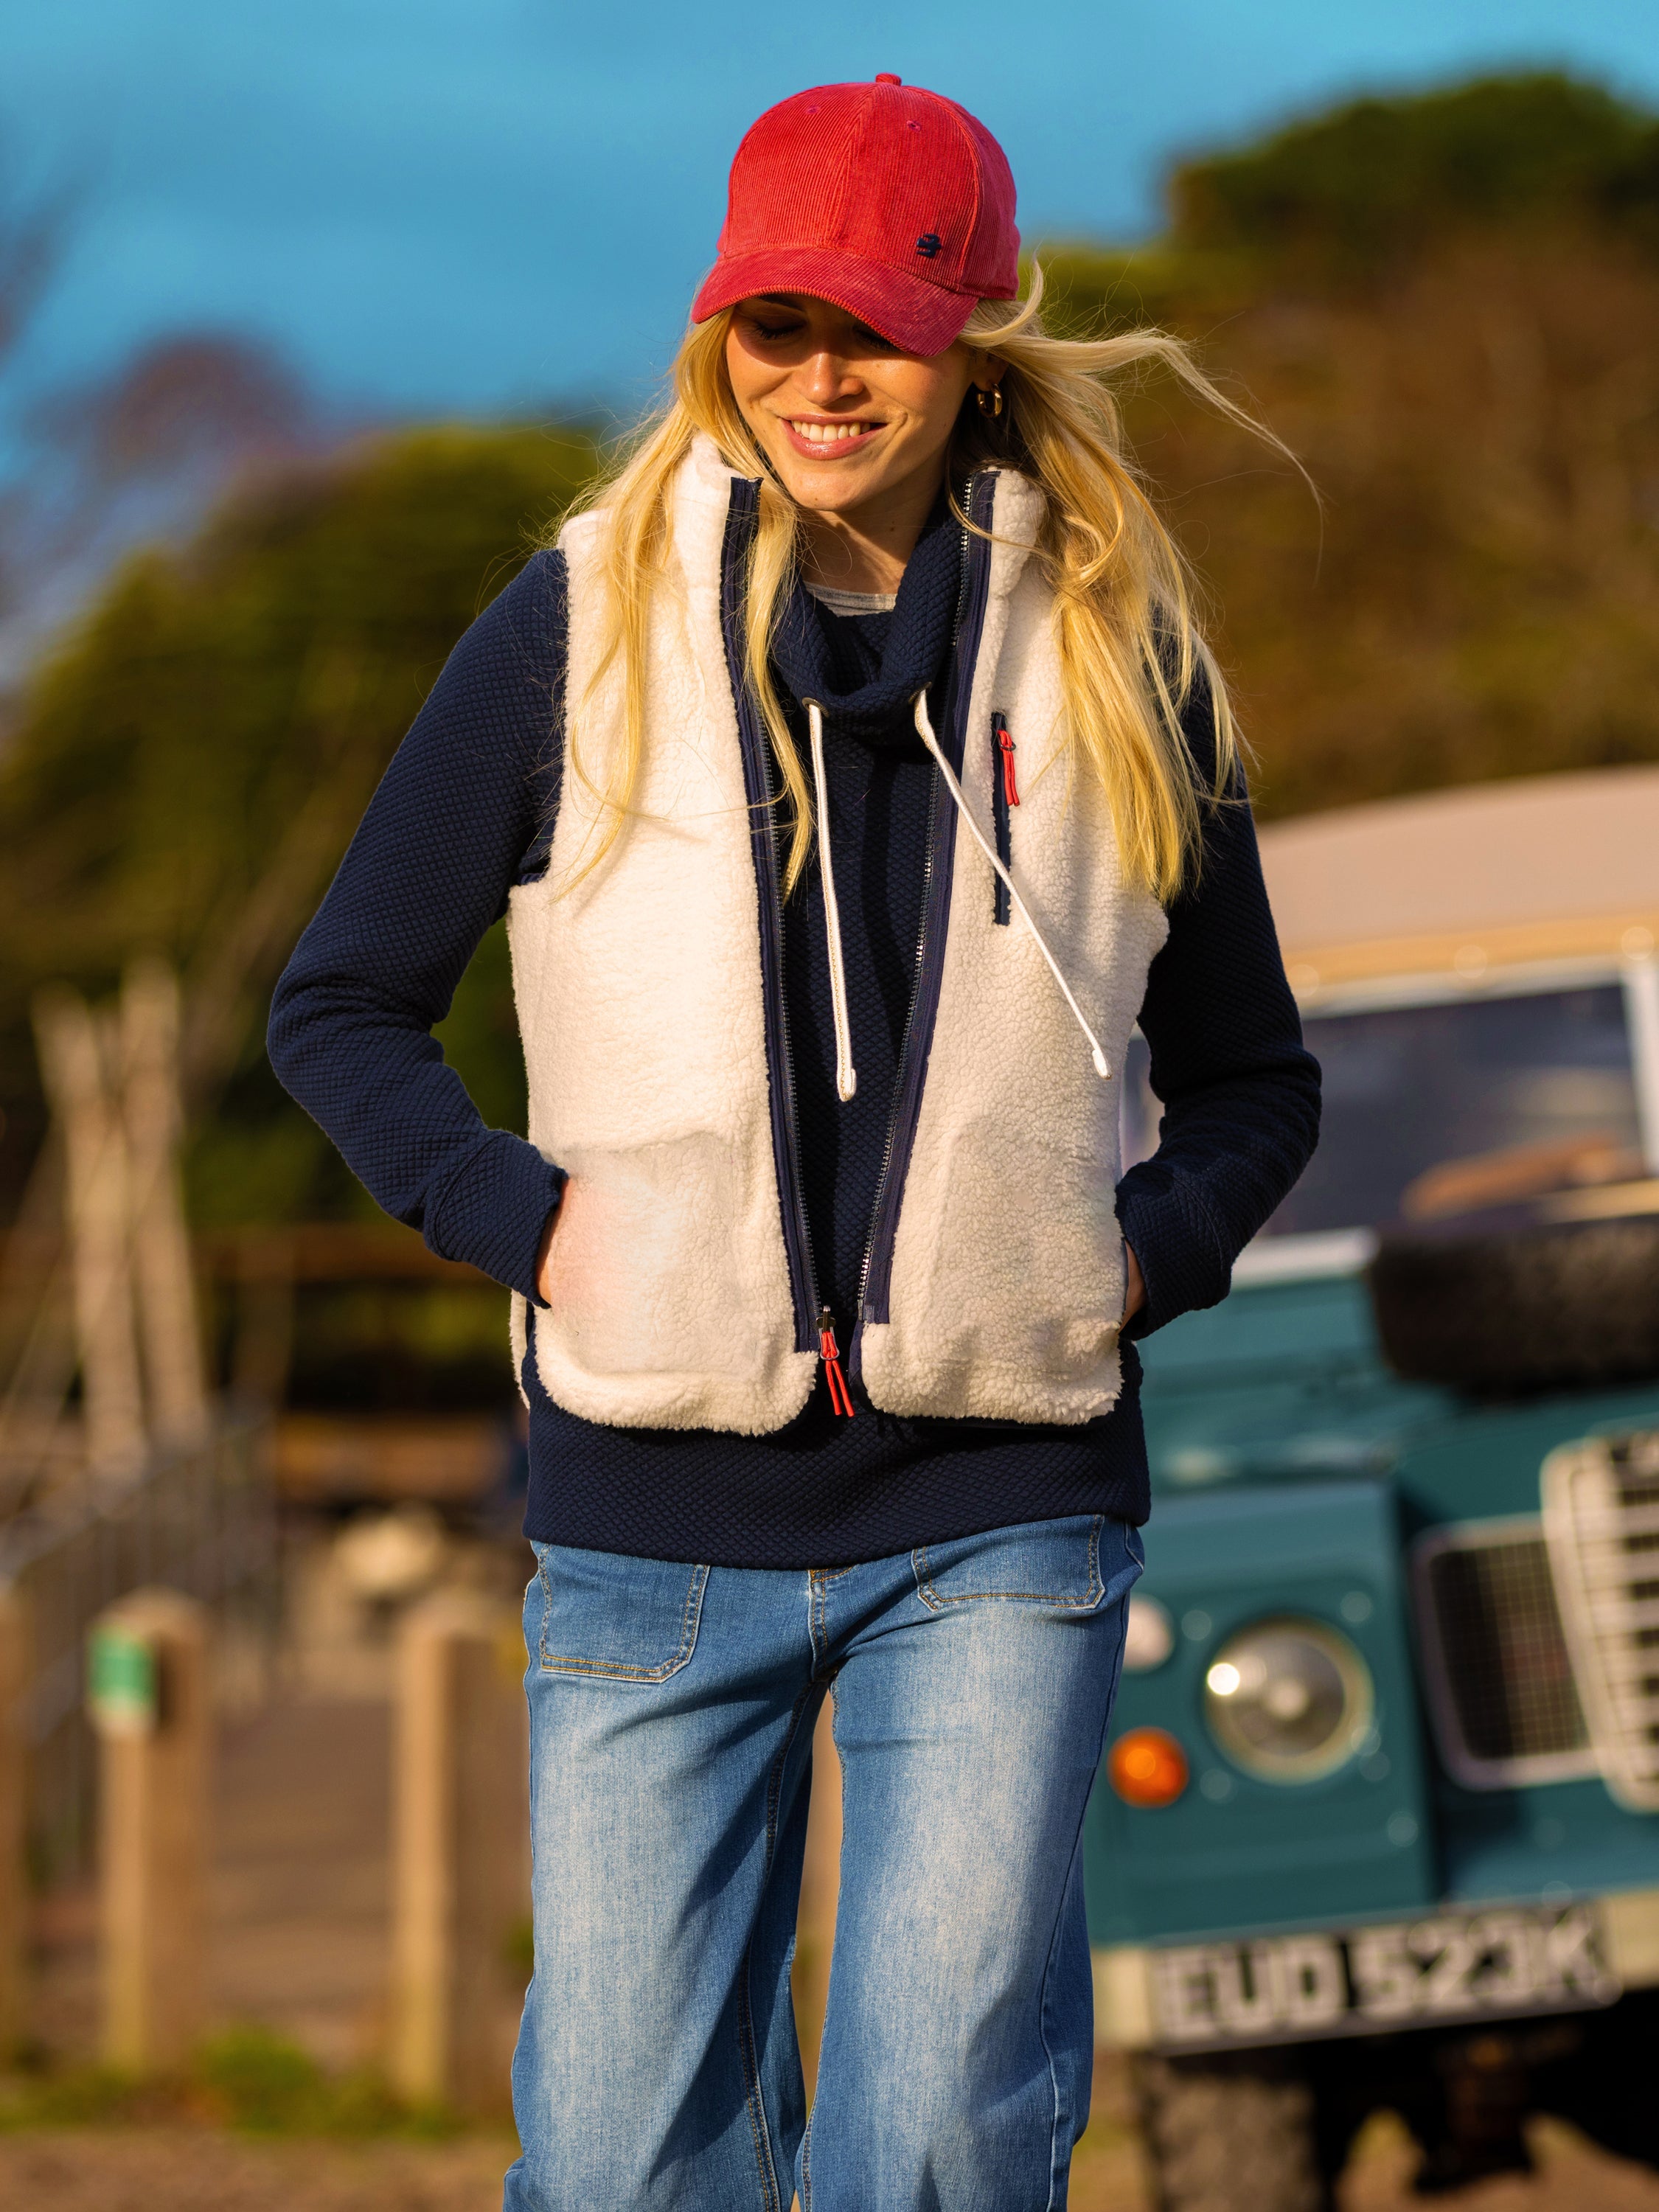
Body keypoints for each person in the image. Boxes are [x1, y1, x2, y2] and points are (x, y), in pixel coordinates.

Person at [269, 72, 1320, 2212]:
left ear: (975, 335)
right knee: (618, 2165)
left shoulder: (1126, 658)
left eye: (876, 328)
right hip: (647, 1521)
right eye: (776, 325)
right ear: (713, 334)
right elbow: (339, 1006)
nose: (822, 377)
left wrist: (1127, 1261)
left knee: (938, 2138)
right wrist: (530, 1228)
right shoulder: (569, 628)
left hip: (998, 1513)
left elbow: (1255, 1083)